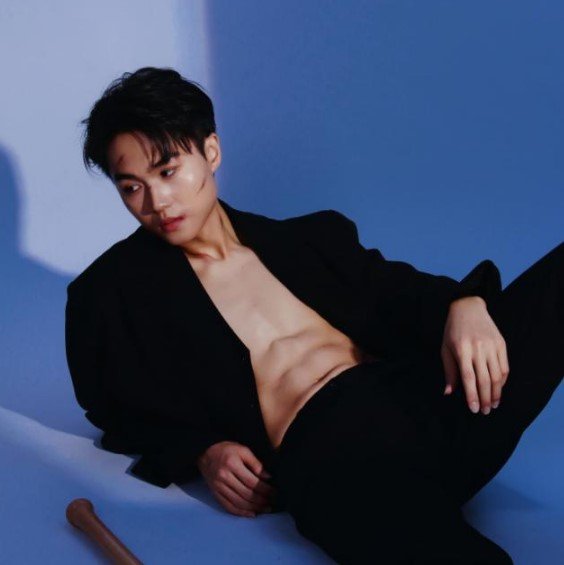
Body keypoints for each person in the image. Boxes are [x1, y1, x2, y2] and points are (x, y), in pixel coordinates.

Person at [66, 66, 563, 564]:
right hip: (340, 462)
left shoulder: (308, 238)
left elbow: (400, 293)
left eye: (167, 171)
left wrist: (465, 302)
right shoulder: (109, 294)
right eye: (131, 188)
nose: (156, 201)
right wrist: (200, 450)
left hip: (439, 399)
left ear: (210, 151)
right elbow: (111, 409)